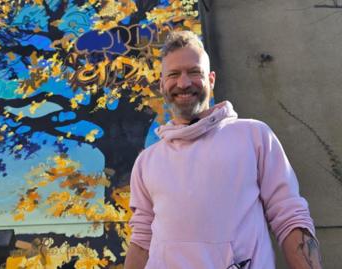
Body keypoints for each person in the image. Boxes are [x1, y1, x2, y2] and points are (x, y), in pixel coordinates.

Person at [124, 31, 322, 269]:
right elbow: (142, 240)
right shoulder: (147, 162)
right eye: (174, 74)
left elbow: (290, 218)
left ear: (211, 79)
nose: (184, 83)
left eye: (194, 72)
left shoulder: (254, 136)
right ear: (162, 84)